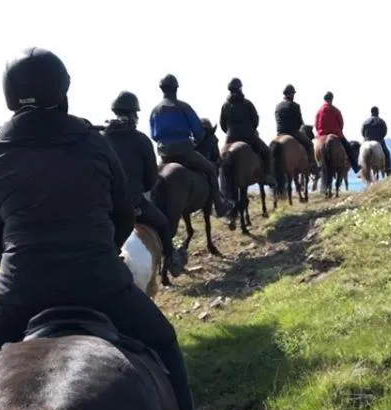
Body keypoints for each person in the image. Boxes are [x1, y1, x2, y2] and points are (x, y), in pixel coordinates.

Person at [0, 48, 206, 410]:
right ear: (62, 89)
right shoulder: (92, 141)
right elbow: (124, 214)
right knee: (163, 337)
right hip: (99, 280)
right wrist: (101, 253)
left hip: (21, 289)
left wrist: (20, 266)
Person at [103, 90, 178, 275]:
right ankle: (171, 259)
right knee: (162, 224)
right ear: (133, 114)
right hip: (133, 203)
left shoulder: (101, 138)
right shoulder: (141, 140)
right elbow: (151, 178)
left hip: (105, 205)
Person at [149, 74, 232, 217]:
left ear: (162, 89)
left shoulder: (155, 111)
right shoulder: (183, 107)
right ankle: (219, 205)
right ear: (176, 89)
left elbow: (154, 135)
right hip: (184, 151)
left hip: (164, 155)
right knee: (211, 169)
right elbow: (199, 133)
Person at [218, 78, 275, 185]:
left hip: (230, 138)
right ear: (240, 88)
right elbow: (255, 120)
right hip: (248, 136)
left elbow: (222, 124)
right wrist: (251, 129)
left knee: (221, 157)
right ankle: (267, 176)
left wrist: (230, 132)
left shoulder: (225, 106)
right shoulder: (247, 103)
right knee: (267, 152)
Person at [275, 84, 317, 174]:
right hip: (292, 132)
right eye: (293, 93)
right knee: (310, 144)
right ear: (290, 94)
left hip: (280, 133)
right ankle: (313, 166)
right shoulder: (295, 106)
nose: (293, 95)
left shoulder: (277, 106)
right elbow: (299, 122)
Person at [314, 91, 360, 173]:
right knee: (348, 147)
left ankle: (315, 168)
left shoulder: (318, 111)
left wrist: (320, 133)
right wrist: (338, 131)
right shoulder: (336, 110)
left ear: (324, 99)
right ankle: (355, 167)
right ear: (332, 99)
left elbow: (316, 125)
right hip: (336, 133)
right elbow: (341, 124)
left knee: (313, 148)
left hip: (321, 135)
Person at [361, 106, 391, 175]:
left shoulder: (365, 122)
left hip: (367, 141)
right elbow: (385, 131)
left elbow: (362, 133)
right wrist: (380, 137)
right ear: (377, 112)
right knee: (387, 153)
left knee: (361, 154)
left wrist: (366, 138)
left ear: (371, 112)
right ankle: (388, 170)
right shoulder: (381, 121)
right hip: (379, 140)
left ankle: (361, 169)